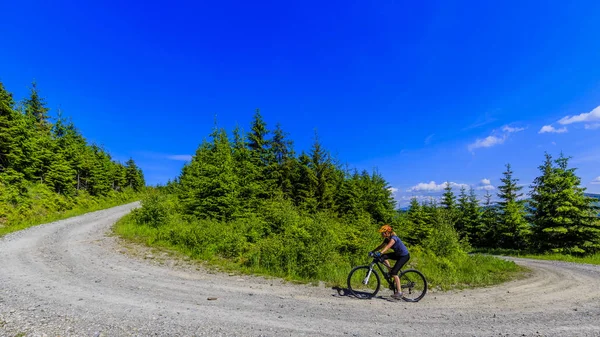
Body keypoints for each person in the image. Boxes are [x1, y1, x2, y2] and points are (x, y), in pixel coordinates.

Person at [370, 224, 410, 299]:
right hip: (398, 254)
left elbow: (387, 247)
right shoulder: (386, 239)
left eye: (383, 233)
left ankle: (399, 292)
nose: (381, 234)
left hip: (404, 256)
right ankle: (390, 272)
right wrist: (373, 251)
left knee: (394, 272)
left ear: (387, 232)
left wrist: (380, 253)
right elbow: (380, 246)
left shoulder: (394, 238)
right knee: (383, 257)